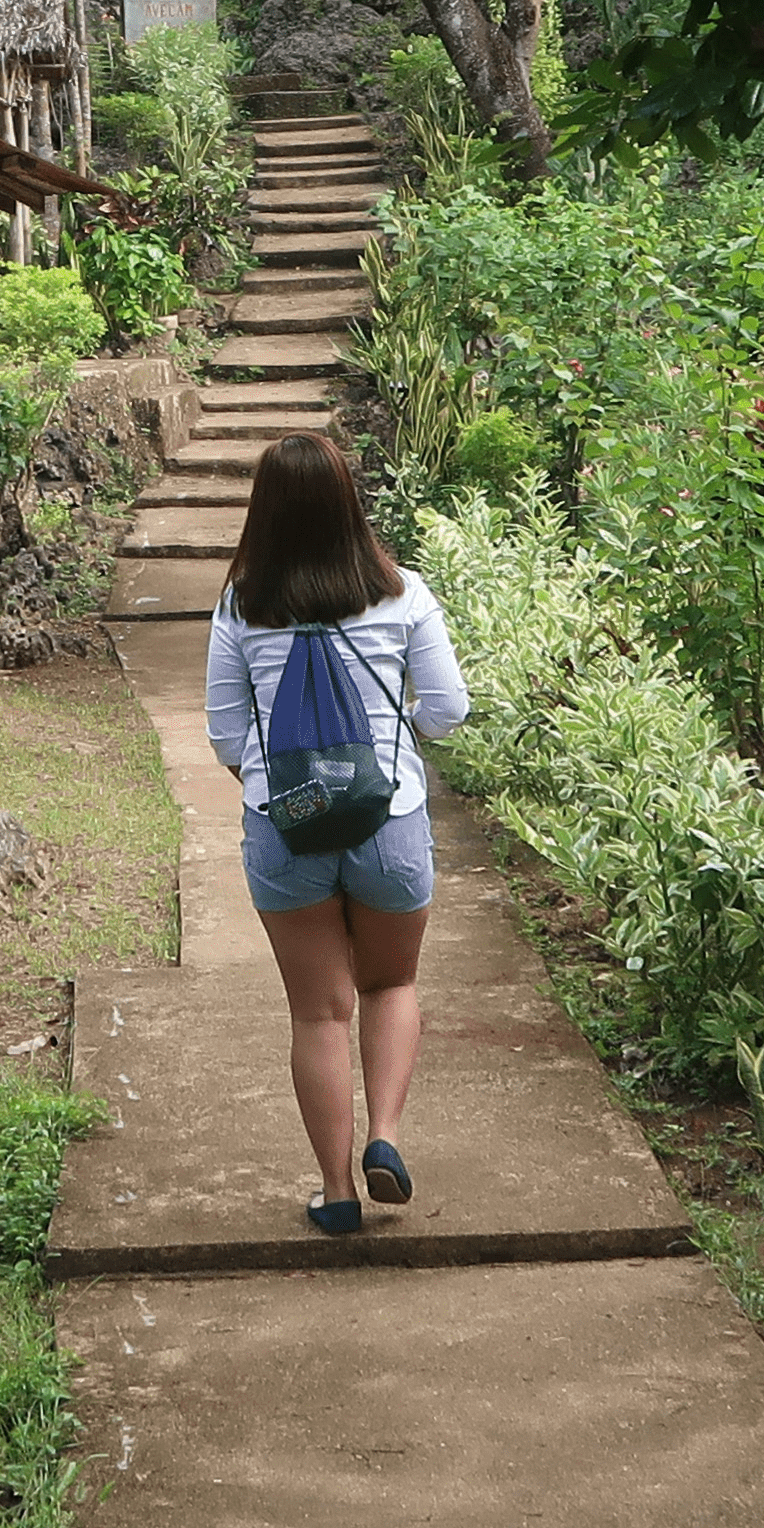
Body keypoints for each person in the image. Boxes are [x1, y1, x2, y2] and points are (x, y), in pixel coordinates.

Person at [205, 433, 473, 1238]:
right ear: (351, 503)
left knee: (319, 1015)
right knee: (391, 986)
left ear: (265, 515)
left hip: (284, 833)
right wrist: (397, 737)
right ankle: (384, 1138)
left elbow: (224, 734)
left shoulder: (241, 605)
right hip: (387, 822)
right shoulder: (403, 595)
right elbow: (450, 710)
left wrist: (282, 789)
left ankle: (335, 1190)